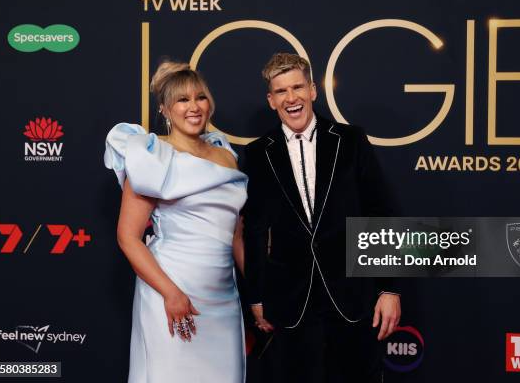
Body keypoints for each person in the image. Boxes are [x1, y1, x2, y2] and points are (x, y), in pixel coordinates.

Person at [243, 53, 401, 383]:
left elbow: (381, 212)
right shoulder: (259, 154)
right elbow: (255, 229)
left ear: (313, 90)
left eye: (298, 87)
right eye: (281, 91)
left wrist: (389, 289)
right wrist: (256, 297)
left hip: (352, 297)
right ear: (271, 100)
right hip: (291, 303)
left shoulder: (351, 140)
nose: (292, 98)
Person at [104, 61, 247, 383]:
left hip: (224, 296)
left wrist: (256, 295)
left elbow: (237, 233)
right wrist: (171, 293)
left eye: (200, 97)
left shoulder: (226, 153)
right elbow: (128, 237)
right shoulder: (152, 157)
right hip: (171, 289)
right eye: (183, 100)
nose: (194, 107)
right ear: (165, 109)